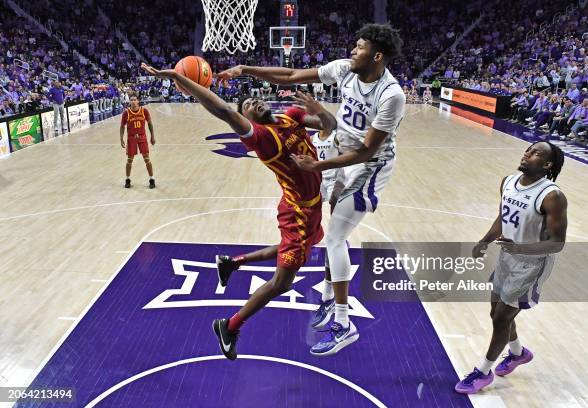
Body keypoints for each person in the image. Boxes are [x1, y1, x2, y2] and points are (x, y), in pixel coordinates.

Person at [217, 23, 406, 356]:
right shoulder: (344, 70)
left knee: (334, 237)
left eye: (359, 47)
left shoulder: (391, 95)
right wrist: (245, 68)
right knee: (331, 235)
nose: (352, 51)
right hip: (338, 153)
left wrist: (318, 166)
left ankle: (344, 324)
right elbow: (290, 75)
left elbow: (366, 151)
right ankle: (329, 299)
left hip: (368, 166)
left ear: (377, 56)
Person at [141, 62, 337, 360]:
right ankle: (229, 326)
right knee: (282, 283)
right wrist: (177, 77)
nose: (254, 103)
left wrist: (321, 110)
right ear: (247, 119)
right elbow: (223, 111)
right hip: (297, 214)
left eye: (254, 99)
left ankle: (233, 263)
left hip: (312, 207)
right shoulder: (261, 139)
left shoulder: (292, 117)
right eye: (248, 106)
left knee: (296, 248)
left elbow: (329, 126)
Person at [455, 141, 567, 394]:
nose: (527, 154)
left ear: (547, 164)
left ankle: (483, 372)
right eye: (528, 149)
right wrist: (484, 241)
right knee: (496, 312)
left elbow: (557, 243)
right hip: (508, 257)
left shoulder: (552, 196)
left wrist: (521, 249)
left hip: (532, 263)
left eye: (536, 153)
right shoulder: (508, 182)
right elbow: (502, 217)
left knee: (502, 316)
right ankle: (518, 353)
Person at [120, 94, 156, 188]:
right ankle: (127, 179)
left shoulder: (144, 111)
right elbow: (122, 126)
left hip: (142, 137)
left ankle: (152, 179)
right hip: (131, 138)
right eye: (131, 100)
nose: (133, 101)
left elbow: (150, 124)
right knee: (129, 160)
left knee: (147, 159)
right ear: (129, 102)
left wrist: (152, 136)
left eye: (134, 99)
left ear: (138, 101)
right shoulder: (126, 113)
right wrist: (121, 138)